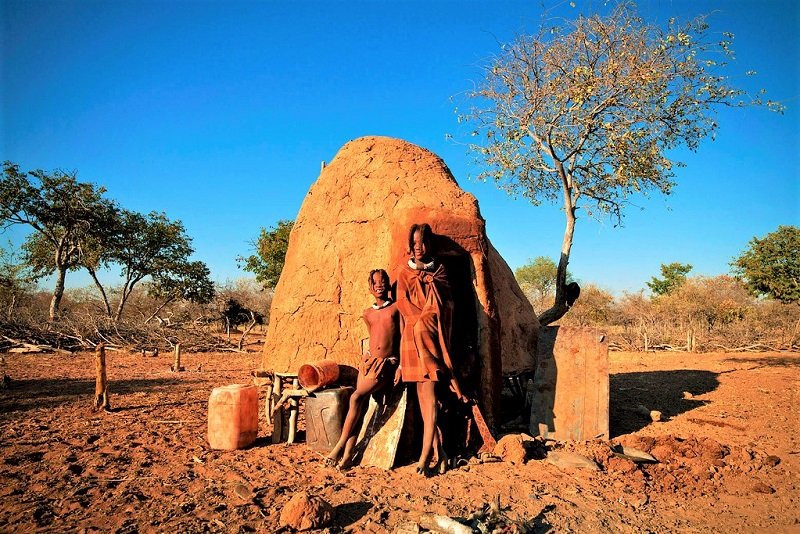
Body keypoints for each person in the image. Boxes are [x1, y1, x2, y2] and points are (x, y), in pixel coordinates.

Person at [396, 223, 466, 476]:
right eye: (414, 243)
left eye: (423, 242)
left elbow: (446, 303)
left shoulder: (440, 270)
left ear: (430, 245)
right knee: (425, 403)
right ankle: (442, 455)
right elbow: (402, 302)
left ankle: (425, 457)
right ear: (409, 245)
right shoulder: (403, 272)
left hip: (429, 342)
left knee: (430, 401)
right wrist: (417, 320)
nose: (419, 247)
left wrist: (425, 318)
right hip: (410, 343)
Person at [325, 268, 400, 469]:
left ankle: (339, 446)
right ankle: (348, 455)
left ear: (388, 284)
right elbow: (372, 336)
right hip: (369, 364)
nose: (379, 285)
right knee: (360, 407)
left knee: (356, 397)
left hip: (385, 365)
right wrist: (366, 356)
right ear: (370, 287)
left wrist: (399, 364)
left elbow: (401, 338)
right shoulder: (367, 313)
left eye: (383, 281)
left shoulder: (395, 309)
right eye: (375, 282)